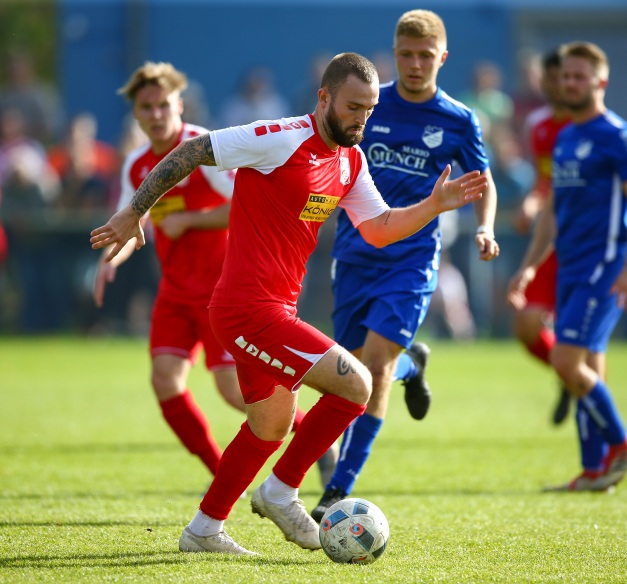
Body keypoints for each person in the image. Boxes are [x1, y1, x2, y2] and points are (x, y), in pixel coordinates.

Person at [90, 52, 488, 556]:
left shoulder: (350, 160)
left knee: (270, 425)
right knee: (356, 385)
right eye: (352, 107)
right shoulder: (280, 137)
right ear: (324, 98)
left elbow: (379, 228)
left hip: (277, 309)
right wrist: (133, 212)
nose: (362, 118)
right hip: (247, 310)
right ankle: (281, 492)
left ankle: (204, 530)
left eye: (369, 109)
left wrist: (433, 205)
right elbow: (194, 149)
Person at [311, 9, 500, 522]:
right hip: (354, 253)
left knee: (372, 370)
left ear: (442, 57)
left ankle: (338, 490)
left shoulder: (458, 120)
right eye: (406, 55)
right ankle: (413, 365)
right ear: (394, 55)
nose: (415, 65)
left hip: (412, 260)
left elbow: (483, 182)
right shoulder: (370, 104)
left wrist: (485, 227)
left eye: (425, 55)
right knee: (349, 370)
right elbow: (329, 161)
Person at [507, 41, 627, 492]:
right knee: (582, 364)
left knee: (566, 360)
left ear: (600, 82)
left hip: (604, 266)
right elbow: (551, 210)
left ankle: (623, 443)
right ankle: (594, 471)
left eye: (579, 77)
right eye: (565, 76)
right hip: (570, 267)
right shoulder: (566, 137)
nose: (570, 83)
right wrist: (530, 266)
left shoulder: (619, 135)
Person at [91, 62, 247, 480]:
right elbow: (129, 224)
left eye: (163, 104)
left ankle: (316, 441)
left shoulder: (203, 148)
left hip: (222, 291)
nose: (156, 114)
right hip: (176, 291)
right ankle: (221, 474)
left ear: (180, 104)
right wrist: (110, 262)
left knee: (234, 391)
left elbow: (247, 209)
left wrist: (190, 220)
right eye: (147, 108)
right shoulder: (136, 165)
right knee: (165, 381)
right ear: (136, 115)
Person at [511, 48, 572, 425]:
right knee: (525, 322)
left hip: (587, 244)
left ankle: (603, 440)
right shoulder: (538, 125)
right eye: (549, 79)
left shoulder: (595, 128)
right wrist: (532, 204)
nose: (556, 86)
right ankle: (571, 377)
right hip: (550, 239)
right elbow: (543, 181)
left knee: (581, 341)